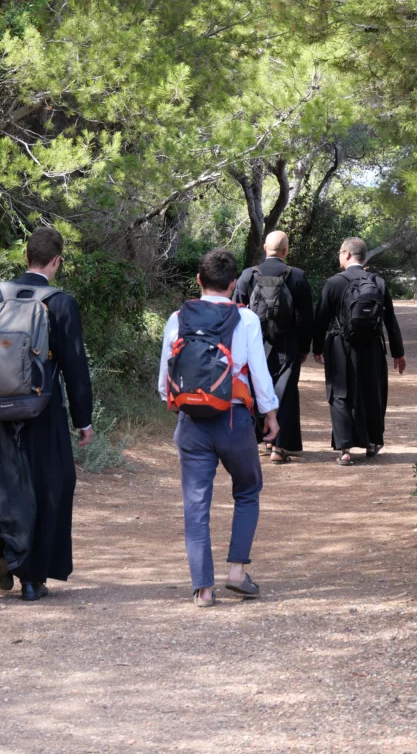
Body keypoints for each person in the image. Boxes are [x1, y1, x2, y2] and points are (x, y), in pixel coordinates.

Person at [0, 227, 94, 600]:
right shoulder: (61, 302)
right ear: (56, 261)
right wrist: (83, 420)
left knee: (3, 487)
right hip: (43, 412)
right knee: (48, 488)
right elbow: (75, 367)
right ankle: (31, 579)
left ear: (26, 257)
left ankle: (5, 554)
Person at [159, 248, 279, 607]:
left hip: (191, 422)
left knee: (195, 503)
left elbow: (164, 380)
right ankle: (237, 572)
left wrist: (180, 405)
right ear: (232, 285)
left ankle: (203, 589)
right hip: (234, 419)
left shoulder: (177, 318)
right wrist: (270, 413)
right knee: (247, 490)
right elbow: (258, 371)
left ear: (198, 281)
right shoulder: (246, 320)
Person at [312, 236, 406, 465]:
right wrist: (398, 353)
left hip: (340, 346)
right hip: (373, 346)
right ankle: (373, 443)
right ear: (363, 257)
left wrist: (317, 347)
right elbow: (390, 321)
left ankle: (344, 448)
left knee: (340, 394)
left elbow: (321, 318)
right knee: (372, 391)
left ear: (346, 254)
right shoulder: (378, 282)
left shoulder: (334, 283)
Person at [233, 230, 313, 463]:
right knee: (285, 392)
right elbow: (307, 316)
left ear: (264, 248)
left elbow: (235, 311)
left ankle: (261, 439)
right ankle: (279, 448)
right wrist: (305, 347)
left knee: (256, 390)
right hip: (289, 343)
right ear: (286, 251)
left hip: (255, 343)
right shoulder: (297, 276)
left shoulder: (248, 275)